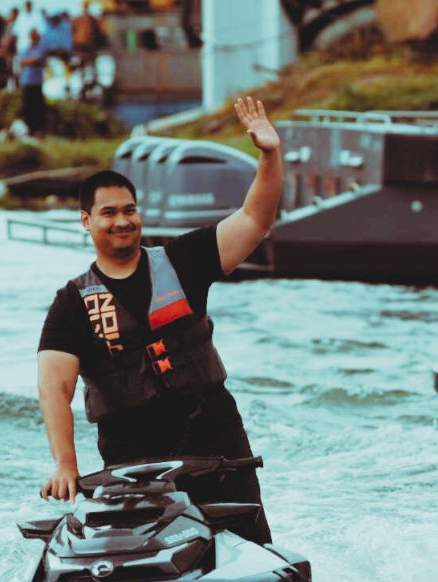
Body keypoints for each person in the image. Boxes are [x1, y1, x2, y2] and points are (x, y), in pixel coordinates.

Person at [36, 97, 283, 545]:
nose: (122, 221)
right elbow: (55, 387)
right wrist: (65, 464)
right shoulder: (71, 302)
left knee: (245, 547)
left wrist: (269, 155)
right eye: (109, 213)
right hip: (132, 455)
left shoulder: (184, 260)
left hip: (214, 438)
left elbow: (255, 218)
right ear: (86, 222)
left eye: (129, 210)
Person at [18, 28, 47, 138]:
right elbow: (23, 61)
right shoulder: (27, 49)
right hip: (26, 81)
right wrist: (29, 60)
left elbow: (35, 59)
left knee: (37, 108)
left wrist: (29, 61)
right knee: (27, 107)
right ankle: (29, 131)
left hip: (36, 82)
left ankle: (38, 131)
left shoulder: (41, 48)